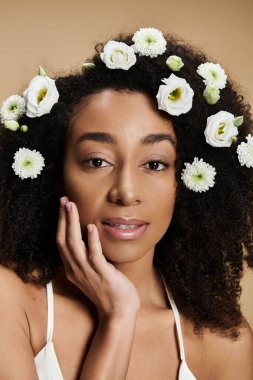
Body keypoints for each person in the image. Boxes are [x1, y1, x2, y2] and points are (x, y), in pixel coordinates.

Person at [0, 27, 252, 380]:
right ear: (57, 174)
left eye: (155, 164)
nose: (126, 191)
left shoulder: (223, 342)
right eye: (97, 161)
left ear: (185, 182)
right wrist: (117, 318)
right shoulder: (10, 301)